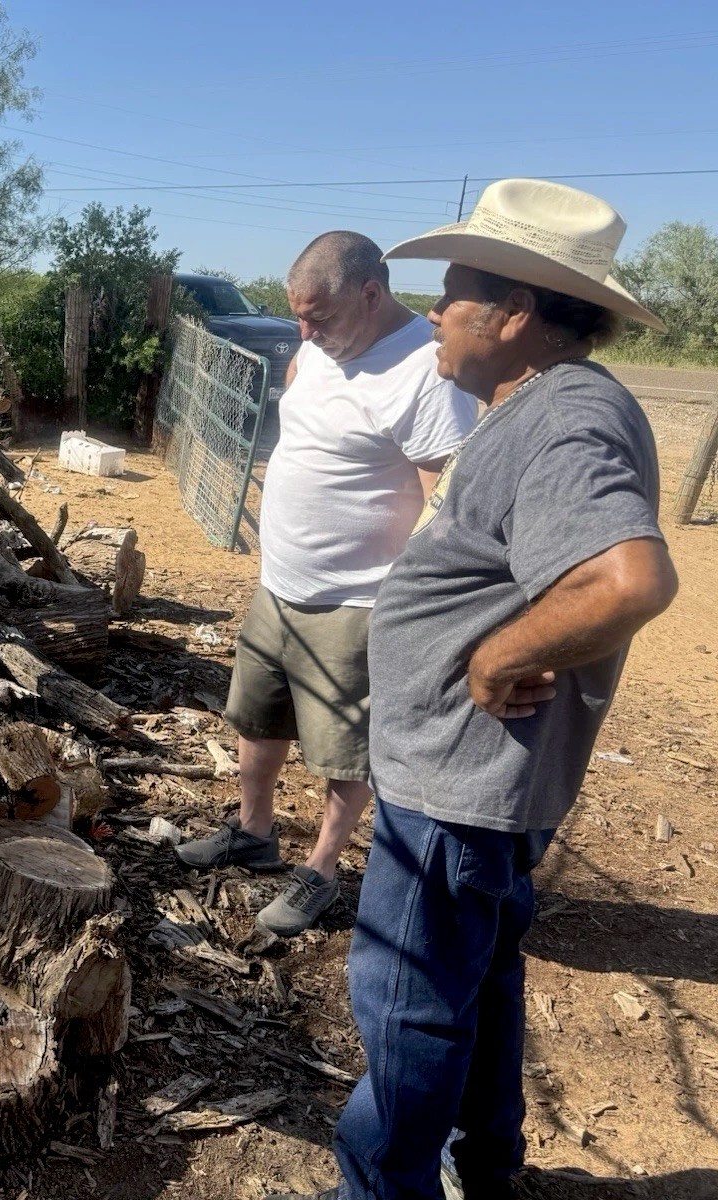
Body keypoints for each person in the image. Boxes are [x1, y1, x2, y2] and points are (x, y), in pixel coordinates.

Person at [274, 179, 679, 1200]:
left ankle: (381, 1189)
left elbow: (629, 577)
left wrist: (500, 656)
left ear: (513, 314)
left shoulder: (564, 417)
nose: (435, 311)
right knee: (479, 982)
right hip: (468, 785)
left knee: (408, 1009)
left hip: (457, 788)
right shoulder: (530, 407)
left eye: (452, 293)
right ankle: (484, 1167)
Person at [176, 231, 477, 937]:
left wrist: (417, 607)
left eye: (320, 317)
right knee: (255, 716)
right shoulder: (316, 348)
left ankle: (321, 869)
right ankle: (253, 832)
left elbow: (445, 503)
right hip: (280, 583)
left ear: (372, 293)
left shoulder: (424, 373)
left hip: (358, 602)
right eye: (299, 316)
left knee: (346, 749)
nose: (304, 333)